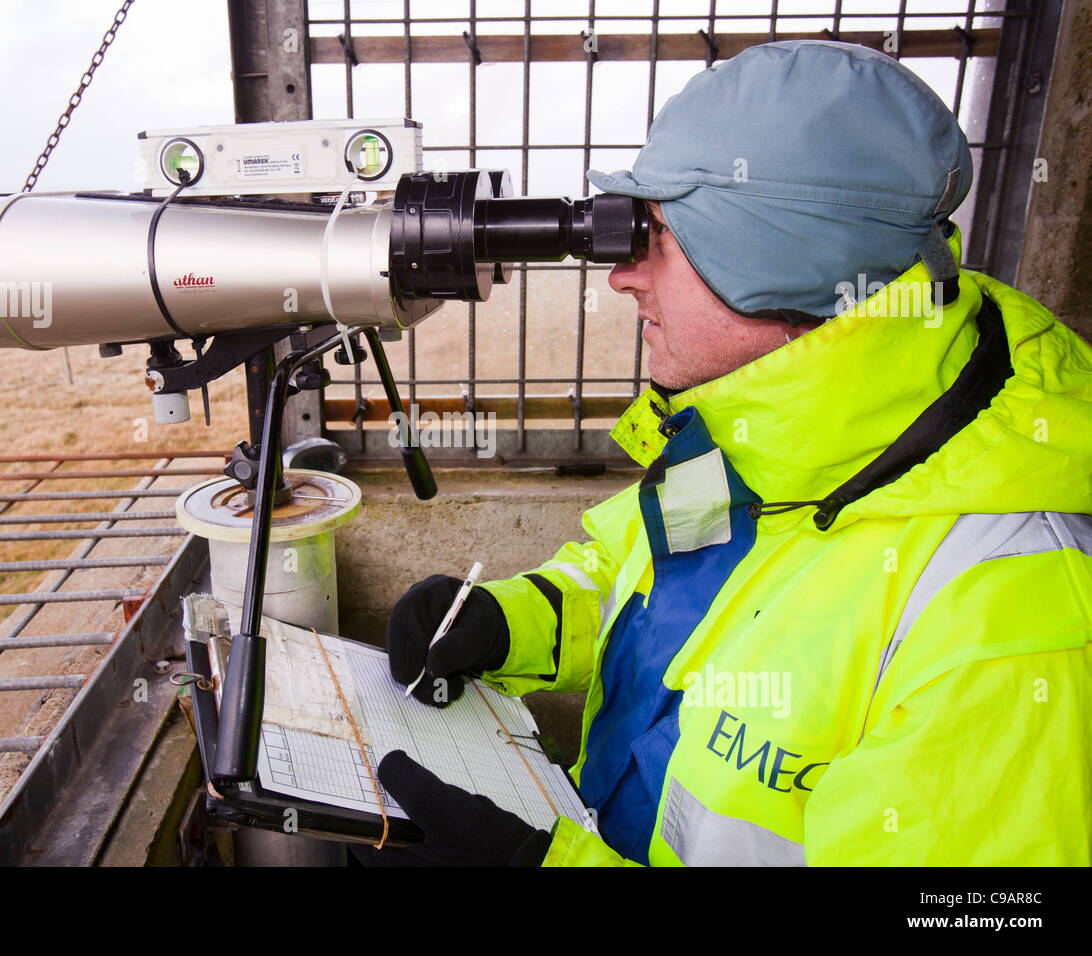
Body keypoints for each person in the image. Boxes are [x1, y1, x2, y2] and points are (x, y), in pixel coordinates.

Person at [356, 39, 1092, 866]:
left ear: (780, 265)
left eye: (660, 235)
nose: (622, 276)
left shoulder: (1012, 623)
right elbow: (657, 599)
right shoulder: (751, 429)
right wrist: (508, 623)